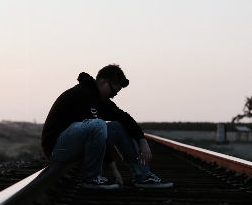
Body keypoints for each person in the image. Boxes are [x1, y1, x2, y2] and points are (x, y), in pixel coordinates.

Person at [41, 64, 173, 189]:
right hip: (56, 147)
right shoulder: (83, 94)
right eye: (113, 93)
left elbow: (124, 117)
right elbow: (97, 131)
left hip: (71, 143)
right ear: (104, 82)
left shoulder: (100, 100)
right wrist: (113, 169)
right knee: (98, 124)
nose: (113, 97)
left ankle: (143, 176)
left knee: (118, 127)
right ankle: (91, 178)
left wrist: (142, 139)